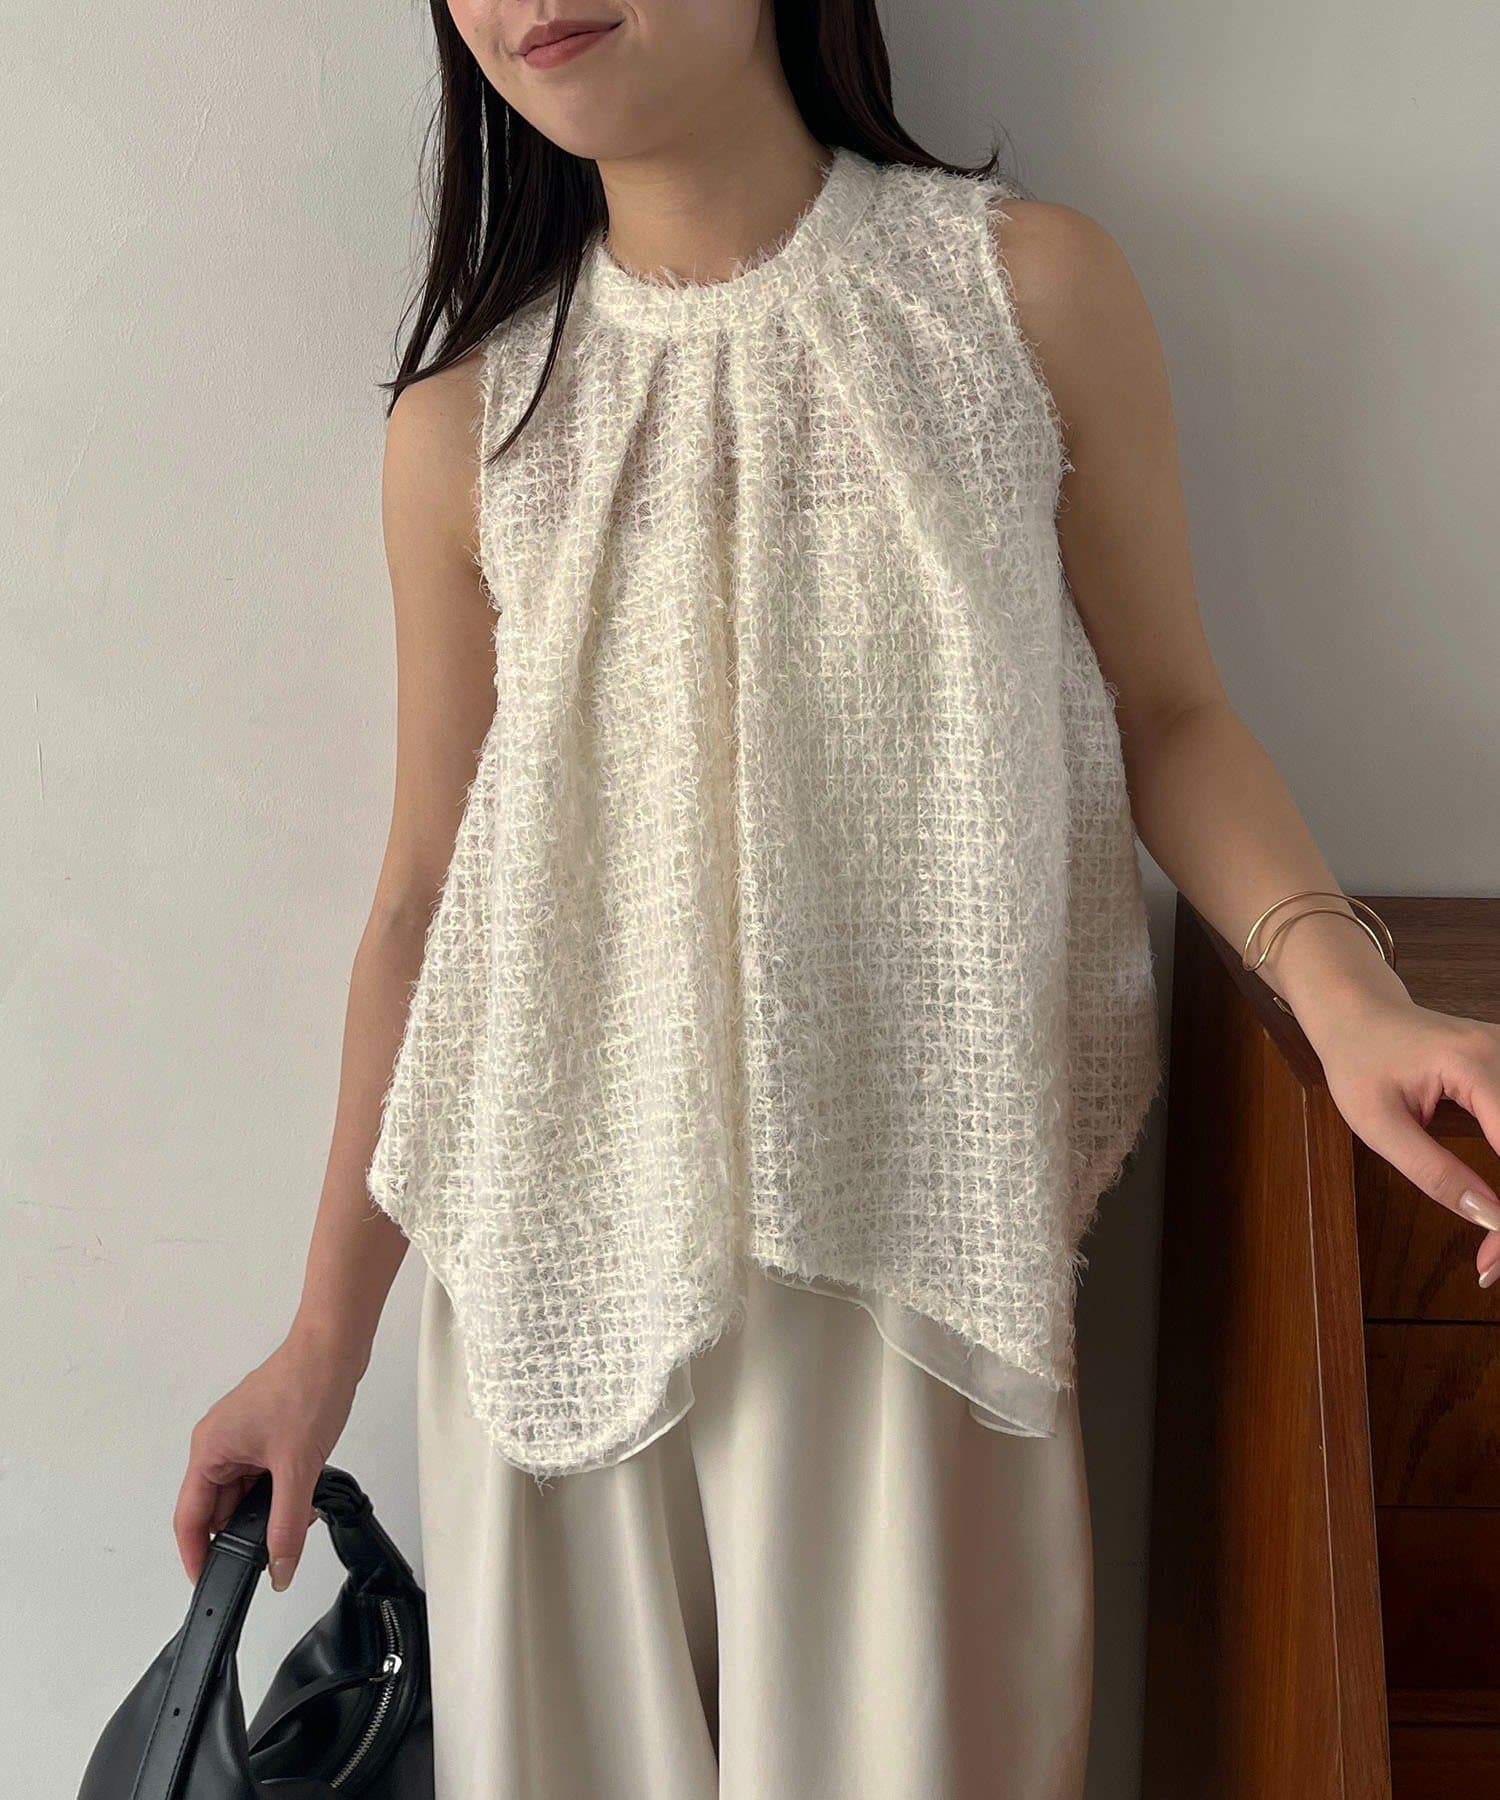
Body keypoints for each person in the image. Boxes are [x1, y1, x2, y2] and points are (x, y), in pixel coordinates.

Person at [172, 3, 1500, 1795]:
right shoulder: (469, 423)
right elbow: (425, 902)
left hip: (920, 1258)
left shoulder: (1021, 293)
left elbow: (1171, 712)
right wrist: (319, 1348)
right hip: (548, 1299)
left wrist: (1350, 1004)